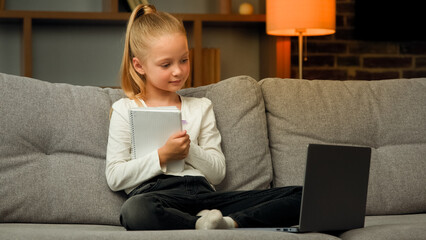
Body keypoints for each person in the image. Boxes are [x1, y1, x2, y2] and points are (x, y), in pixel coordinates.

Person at [106, 4, 302, 231]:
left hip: (204, 196)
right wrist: (162, 156)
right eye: (166, 64)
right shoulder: (124, 109)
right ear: (139, 65)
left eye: (184, 60)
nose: (178, 71)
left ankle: (227, 223)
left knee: (302, 195)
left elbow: (217, 173)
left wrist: (190, 149)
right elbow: (115, 176)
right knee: (134, 210)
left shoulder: (201, 107)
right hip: (157, 196)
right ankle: (199, 224)